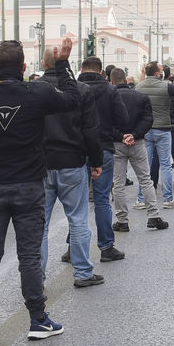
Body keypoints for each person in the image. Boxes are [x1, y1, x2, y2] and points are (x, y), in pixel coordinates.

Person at [0, 38, 81, 343]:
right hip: (29, 186)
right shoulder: (37, 92)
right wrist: (62, 63)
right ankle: (38, 320)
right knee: (29, 256)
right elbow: (74, 99)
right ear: (24, 67)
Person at [38, 45, 105, 288]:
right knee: (77, 219)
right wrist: (96, 161)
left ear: (43, 64)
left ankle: (37, 278)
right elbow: (91, 130)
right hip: (72, 161)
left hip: (41, 164)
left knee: (39, 225)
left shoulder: (33, 89)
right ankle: (83, 272)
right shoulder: (81, 90)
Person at [75, 57, 127, 263]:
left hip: (77, 150)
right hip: (103, 147)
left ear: (81, 69)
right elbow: (122, 119)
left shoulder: (73, 88)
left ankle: (73, 248)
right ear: (101, 72)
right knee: (102, 200)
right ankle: (106, 247)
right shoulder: (110, 90)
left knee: (76, 202)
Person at [109, 68, 166, 233]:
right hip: (137, 142)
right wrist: (134, 134)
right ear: (126, 80)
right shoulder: (140, 97)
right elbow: (148, 119)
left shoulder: (109, 98)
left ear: (111, 81)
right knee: (145, 180)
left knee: (118, 183)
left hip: (117, 143)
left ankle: (122, 220)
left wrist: (121, 136)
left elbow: (105, 123)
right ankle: (153, 215)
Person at [137, 62, 174, 209]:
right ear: (158, 73)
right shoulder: (167, 86)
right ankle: (168, 198)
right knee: (165, 164)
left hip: (146, 130)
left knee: (145, 166)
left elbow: (138, 88)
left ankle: (141, 199)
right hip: (163, 128)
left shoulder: (139, 86)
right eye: (160, 69)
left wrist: (142, 73)